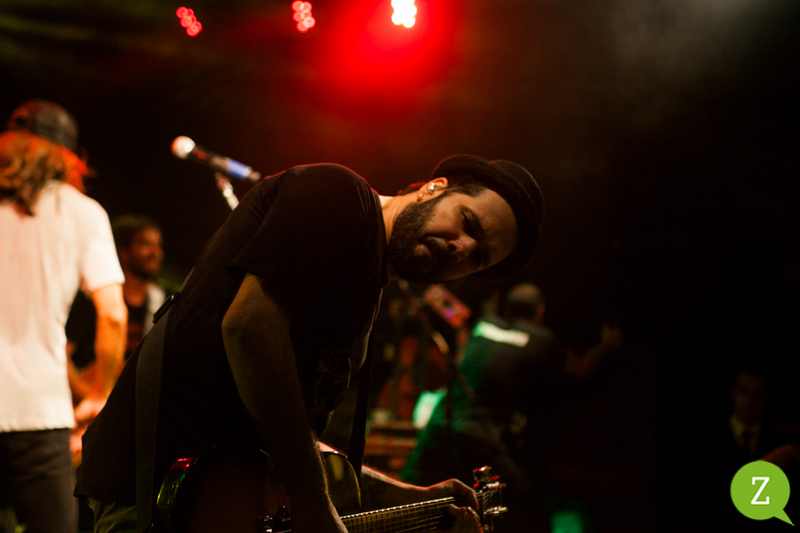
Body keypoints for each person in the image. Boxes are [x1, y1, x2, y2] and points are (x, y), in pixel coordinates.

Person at [76, 154, 545, 533]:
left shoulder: (367, 294)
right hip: (161, 491)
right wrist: (311, 500)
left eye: (478, 257)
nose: (463, 248)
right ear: (434, 188)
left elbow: (287, 434)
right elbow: (249, 327)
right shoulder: (338, 195)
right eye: (468, 222)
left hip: (220, 498)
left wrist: (411, 497)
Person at [0, 100, 127, 533]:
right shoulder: (83, 213)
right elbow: (113, 315)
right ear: (71, 158)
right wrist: (100, 393)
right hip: (38, 411)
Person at [401, 282, 622, 532]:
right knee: (523, 510)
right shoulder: (541, 339)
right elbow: (580, 369)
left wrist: (441, 300)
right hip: (477, 436)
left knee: (406, 495)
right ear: (539, 312)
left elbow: (459, 325)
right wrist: (607, 345)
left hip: (439, 423)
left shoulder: (483, 325)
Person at [67, 214, 169, 403]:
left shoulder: (163, 302)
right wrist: (88, 396)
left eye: (158, 245)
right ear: (123, 251)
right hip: (92, 402)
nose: (155, 252)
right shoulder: (92, 300)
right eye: (146, 244)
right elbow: (62, 355)